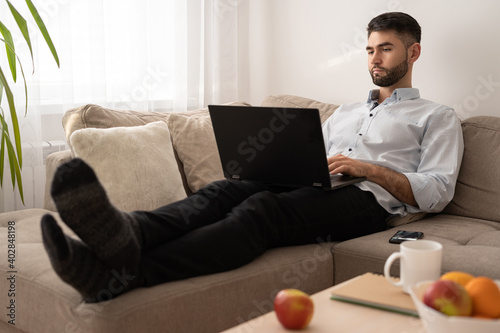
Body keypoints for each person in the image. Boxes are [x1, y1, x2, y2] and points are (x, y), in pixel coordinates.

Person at [41, 12, 464, 302]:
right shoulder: (347, 112)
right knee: (227, 190)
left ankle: (129, 274)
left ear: (414, 52)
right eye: (370, 50)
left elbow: (437, 192)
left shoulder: (436, 116)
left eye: (386, 49)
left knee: (262, 210)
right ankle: (128, 232)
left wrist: (368, 167)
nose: (375, 59)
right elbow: (307, 154)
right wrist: (274, 161)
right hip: (316, 183)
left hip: (367, 201)